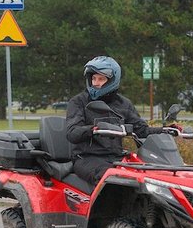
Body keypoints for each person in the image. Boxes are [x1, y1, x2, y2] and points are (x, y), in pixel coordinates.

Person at [66, 56, 178, 188]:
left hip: (117, 158)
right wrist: (94, 129)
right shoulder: (78, 102)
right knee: (112, 179)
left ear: (112, 81)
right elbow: (72, 133)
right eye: (93, 78)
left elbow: (141, 130)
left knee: (151, 176)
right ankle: (107, 209)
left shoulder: (123, 103)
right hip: (86, 158)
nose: (95, 83)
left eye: (101, 79)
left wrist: (166, 130)